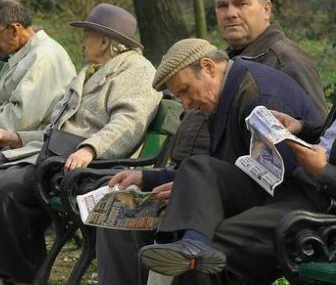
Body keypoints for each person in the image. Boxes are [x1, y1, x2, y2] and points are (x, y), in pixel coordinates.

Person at [98, 38, 321, 285]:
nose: (185, 103)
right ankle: (191, 243)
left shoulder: (259, 93)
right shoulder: (228, 90)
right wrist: (148, 178)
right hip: (259, 194)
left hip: (292, 204)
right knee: (124, 223)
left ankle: (189, 243)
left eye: (185, 90)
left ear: (208, 67)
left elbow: (278, 178)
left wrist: (195, 195)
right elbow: (220, 168)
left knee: (197, 257)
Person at [0, 3, 162, 285]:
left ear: (105, 40)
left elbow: (128, 123)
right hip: (52, 152)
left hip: (83, 164)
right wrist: (17, 138)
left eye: (87, 35)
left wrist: (90, 149)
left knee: (0, 188)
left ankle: (20, 273)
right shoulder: (92, 70)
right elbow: (58, 129)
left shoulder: (137, 71)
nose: (82, 42)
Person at [170, 0, 328, 165]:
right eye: (222, 6)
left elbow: (321, 138)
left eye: (241, 4)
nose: (230, 13)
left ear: (266, 9)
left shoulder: (287, 61)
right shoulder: (224, 63)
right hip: (195, 178)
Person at [0, 0, 76, 136]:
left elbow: (17, 122)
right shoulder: (32, 51)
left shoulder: (43, 57)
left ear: (14, 30)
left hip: (32, 141)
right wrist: (0, 88)